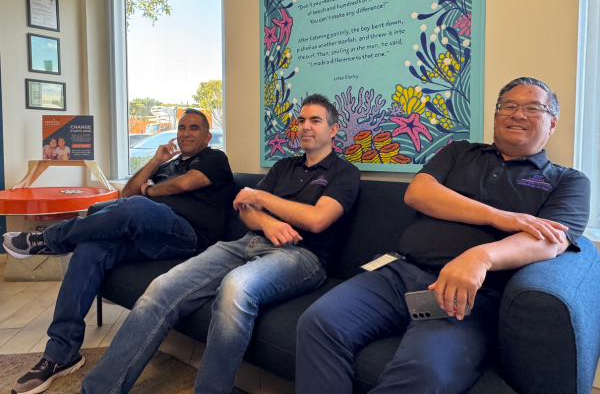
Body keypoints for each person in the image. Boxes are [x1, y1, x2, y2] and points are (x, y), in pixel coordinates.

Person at [295, 77, 591, 393]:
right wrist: (499, 217)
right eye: (509, 106)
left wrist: (481, 256)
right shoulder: (460, 152)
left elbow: (549, 240)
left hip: (471, 295)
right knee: (318, 322)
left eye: (533, 107)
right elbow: (419, 193)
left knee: (424, 370)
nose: (518, 114)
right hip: (397, 274)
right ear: (496, 115)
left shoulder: (568, 181)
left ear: (552, 123)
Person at [77, 94, 360, 394]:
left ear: (333, 129)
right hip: (248, 242)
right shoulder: (283, 167)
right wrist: (267, 222)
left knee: (236, 287)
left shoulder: (344, 173)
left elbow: (317, 219)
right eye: (301, 120)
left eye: (315, 120)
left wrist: (261, 198)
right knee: (161, 288)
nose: (305, 126)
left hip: (302, 256)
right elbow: (243, 206)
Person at [6, 108, 234, 394]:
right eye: (182, 127)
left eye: (194, 128)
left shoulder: (215, 158)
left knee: (138, 206)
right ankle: (61, 353)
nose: (186, 133)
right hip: (150, 234)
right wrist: (156, 160)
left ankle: (50, 240)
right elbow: (127, 193)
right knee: (89, 249)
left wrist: (150, 192)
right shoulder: (168, 165)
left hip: (190, 237)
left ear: (207, 135)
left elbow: (185, 183)